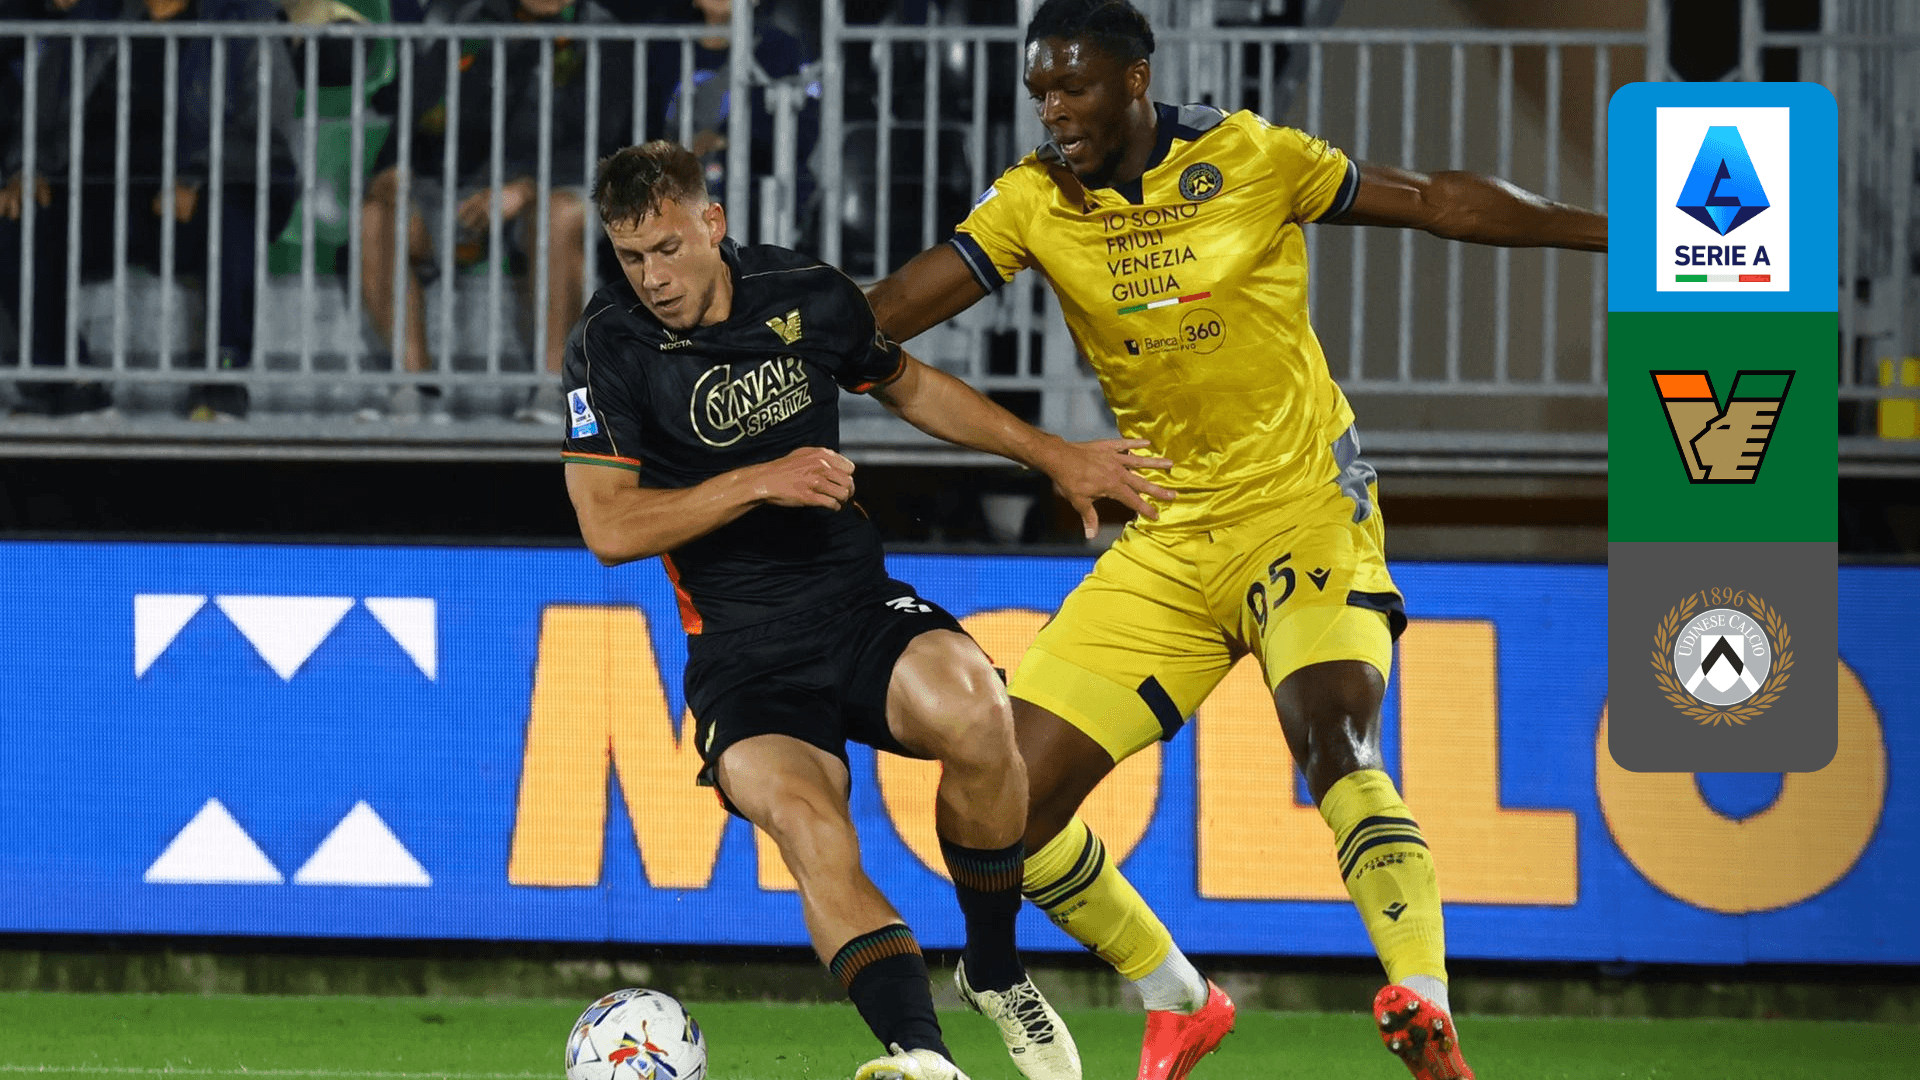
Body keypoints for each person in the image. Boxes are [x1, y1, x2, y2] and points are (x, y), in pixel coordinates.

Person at [863, 2, 1608, 1079]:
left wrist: (1620, 232)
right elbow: (883, 315)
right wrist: (751, 332)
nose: (1054, 112)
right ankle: (1177, 995)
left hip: (1302, 506)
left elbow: (1440, 203)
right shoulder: (1033, 201)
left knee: (1334, 739)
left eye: (1074, 89)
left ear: (1136, 80)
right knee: (1000, 807)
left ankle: (1423, 997)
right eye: (1040, 94)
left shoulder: (1252, 156)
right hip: (1169, 533)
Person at [561, 142, 1167, 1080]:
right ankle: (922, 1057)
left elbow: (912, 384)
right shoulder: (609, 345)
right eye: (631, 257)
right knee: (813, 832)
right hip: (741, 653)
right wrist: (761, 479)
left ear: (712, 224)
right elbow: (609, 527)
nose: (653, 278)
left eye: (668, 249)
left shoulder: (805, 294)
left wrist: (1053, 455)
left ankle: (995, 968)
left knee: (979, 711)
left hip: (854, 608)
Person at [0, 0, 299, 420]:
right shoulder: (94, 18)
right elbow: (40, 113)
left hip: (193, 196)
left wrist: (197, 175)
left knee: (232, 214)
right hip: (100, 194)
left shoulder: (246, 19)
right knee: (17, 214)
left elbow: (268, 132)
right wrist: (25, 168)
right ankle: (67, 380)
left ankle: (223, 380)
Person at [359, 0, 632, 423]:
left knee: (559, 215)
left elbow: (605, 143)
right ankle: (415, 390)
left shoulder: (602, 33)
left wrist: (525, 187)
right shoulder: (466, 19)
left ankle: (553, 387)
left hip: (556, 185)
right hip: (460, 189)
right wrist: (392, 170)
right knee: (377, 217)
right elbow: (417, 110)